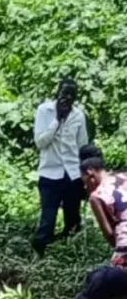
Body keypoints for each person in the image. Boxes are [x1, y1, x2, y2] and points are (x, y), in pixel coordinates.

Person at [32, 78, 88, 257]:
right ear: (58, 93)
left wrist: (85, 177)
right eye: (64, 93)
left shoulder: (78, 115)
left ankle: (68, 254)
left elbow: (82, 146)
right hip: (50, 173)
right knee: (48, 219)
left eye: (71, 95)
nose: (67, 98)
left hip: (72, 174)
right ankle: (39, 252)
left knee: (72, 219)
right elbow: (40, 142)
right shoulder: (44, 111)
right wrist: (57, 120)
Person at [81, 155, 127, 268]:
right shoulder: (125, 176)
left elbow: (109, 233)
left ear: (90, 172)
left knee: (113, 280)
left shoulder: (96, 196)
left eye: (84, 180)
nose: (85, 186)